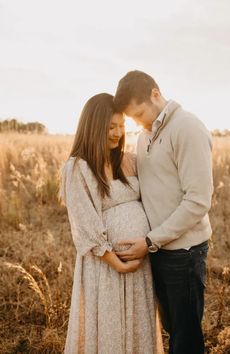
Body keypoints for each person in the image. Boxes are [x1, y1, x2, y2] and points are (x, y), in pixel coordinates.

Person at [113, 70, 214, 354]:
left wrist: (149, 241)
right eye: (132, 118)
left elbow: (198, 201)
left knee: (185, 335)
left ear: (155, 94)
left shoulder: (187, 128)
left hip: (183, 252)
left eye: (140, 112)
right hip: (157, 249)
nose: (138, 121)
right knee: (173, 327)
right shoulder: (144, 136)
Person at [60, 93, 164, 354]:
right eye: (111, 127)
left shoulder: (129, 160)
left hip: (140, 263)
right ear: (94, 126)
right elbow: (84, 223)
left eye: (121, 126)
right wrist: (117, 262)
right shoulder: (78, 167)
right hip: (106, 267)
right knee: (110, 330)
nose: (118, 133)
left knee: (139, 328)